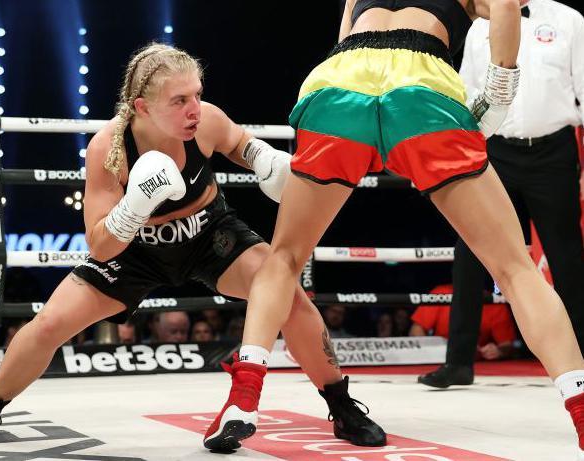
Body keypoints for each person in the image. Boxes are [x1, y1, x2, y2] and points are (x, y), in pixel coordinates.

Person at [0, 42, 384, 447]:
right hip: (134, 252)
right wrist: (134, 205)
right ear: (142, 107)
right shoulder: (108, 149)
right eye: (180, 100)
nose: (194, 109)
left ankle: (342, 407)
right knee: (50, 323)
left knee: (290, 297)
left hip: (210, 235)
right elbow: (100, 245)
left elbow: (239, 143)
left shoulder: (206, 121)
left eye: (197, 94)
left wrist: (264, 159)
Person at [206, 0, 584, 456]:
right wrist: (500, 92)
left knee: (284, 257)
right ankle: (582, 416)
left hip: (337, 84)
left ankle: (242, 399)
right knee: (515, 270)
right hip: (420, 86)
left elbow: (343, 39)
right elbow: (505, 5)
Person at [419, 0, 584, 389]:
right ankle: (458, 361)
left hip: (554, 152)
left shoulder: (568, 20)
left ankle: (579, 362)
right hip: (495, 150)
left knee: (567, 258)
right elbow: (464, 96)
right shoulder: (478, 25)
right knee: (471, 251)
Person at [410, 284, 516, 365]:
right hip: (441, 360)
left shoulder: (493, 303)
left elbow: (507, 345)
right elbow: (416, 330)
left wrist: (498, 351)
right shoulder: (441, 293)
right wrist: (431, 352)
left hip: (476, 363)